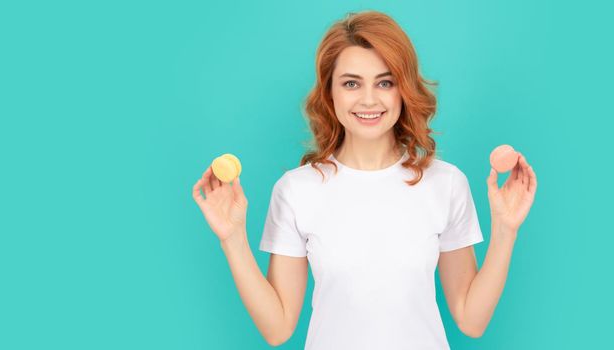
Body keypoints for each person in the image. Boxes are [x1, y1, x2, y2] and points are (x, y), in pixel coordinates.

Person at [192, 10, 537, 349]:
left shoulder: (445, 184)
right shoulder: (296, 190)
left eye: (385, 82)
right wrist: (233, 238)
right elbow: (278, 329)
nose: (369, 99)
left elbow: (471, 321)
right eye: (351, 83)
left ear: (403, 90)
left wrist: (505, 230)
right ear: (330, 93)